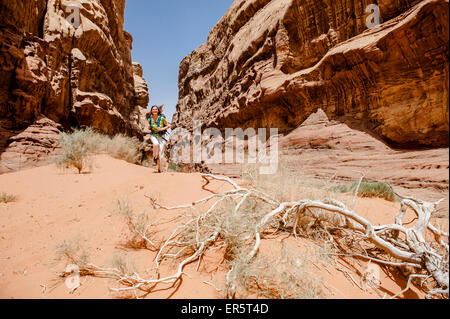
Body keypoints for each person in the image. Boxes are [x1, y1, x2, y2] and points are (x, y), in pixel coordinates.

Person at [148, 105, 171, 173]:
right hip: (153, 135)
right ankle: (154, 157)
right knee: (156, 144)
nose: (154, 110)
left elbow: (168, 125)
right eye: (153, 109)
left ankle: (159, 169)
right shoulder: (150, 119)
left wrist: (161, 129)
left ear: (158, 111)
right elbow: (149, 127)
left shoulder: (161, 118)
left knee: (160, 154)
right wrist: (149, 128)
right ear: (151, 111)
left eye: (156, 109)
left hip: (162, 137)